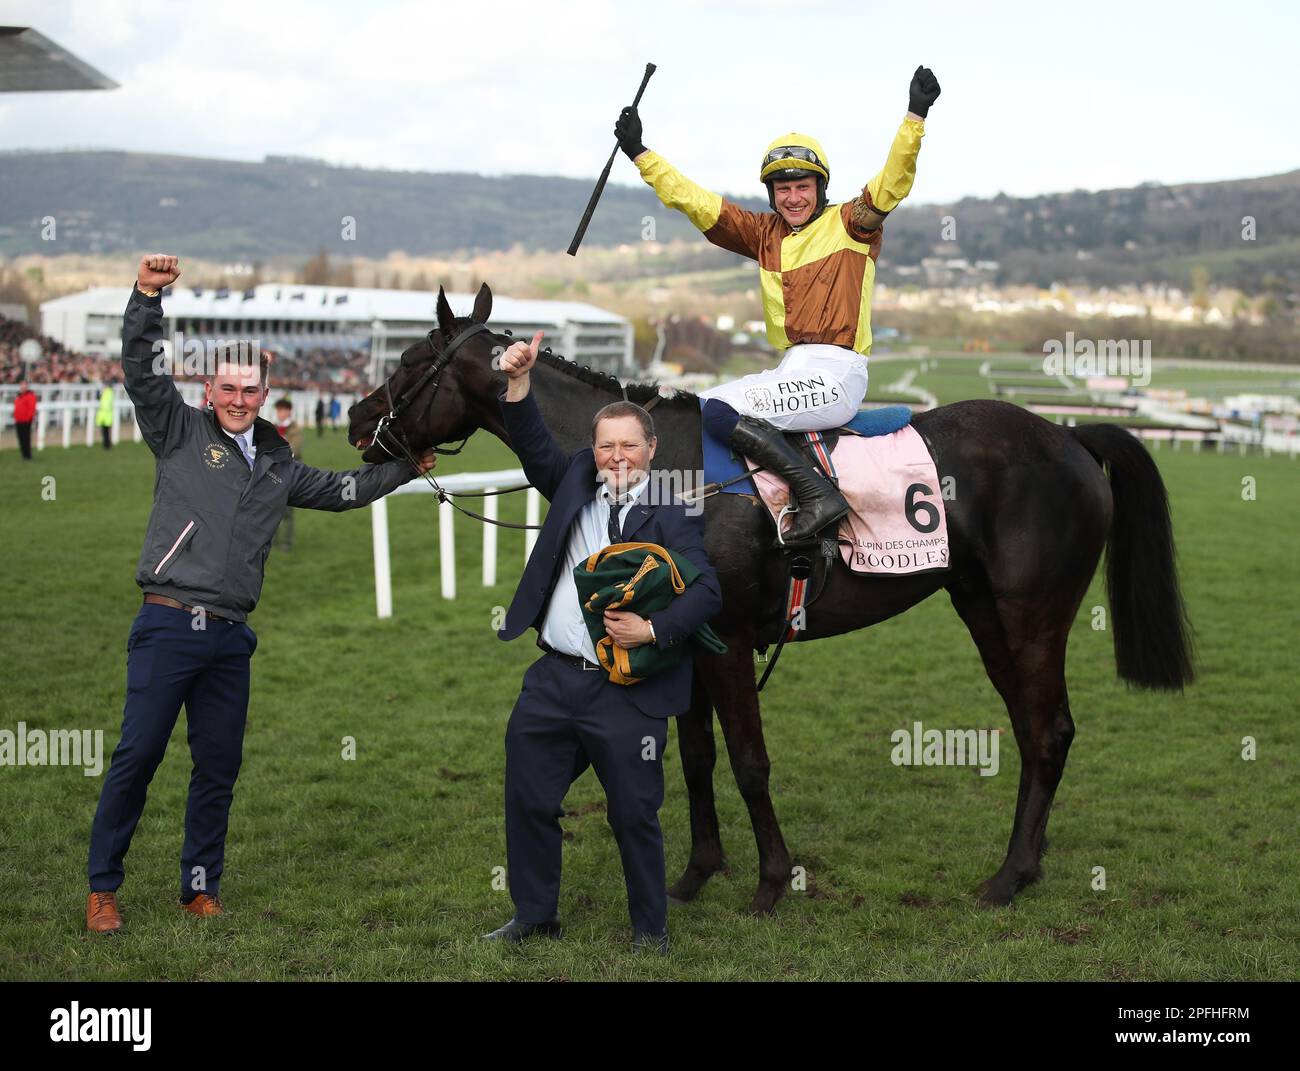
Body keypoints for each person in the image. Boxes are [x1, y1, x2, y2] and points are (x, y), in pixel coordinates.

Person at [85, 254, 436, 935]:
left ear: (265, 393)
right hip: (165, 624)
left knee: (218, 768)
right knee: (138, 757)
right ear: (208, 389)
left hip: (229, 639)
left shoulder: (278, 463)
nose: (241, 399)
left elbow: (342, 491)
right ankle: (103, 887)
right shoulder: (176, 428)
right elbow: (138, 365)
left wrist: (404, 468)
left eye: (252, 389)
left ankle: (198, 886)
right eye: (230, 388)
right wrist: (146, 298)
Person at [616, 66, 941, 545]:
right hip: (792, 369)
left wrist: (915, 116)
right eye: (782, 189)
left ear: (820, 188)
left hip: (836, 374)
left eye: (802, 186)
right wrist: (642, 154)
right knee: (704, 406)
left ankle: (819, 497)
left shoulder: (853, 224)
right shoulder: (764, 234)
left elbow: (892, 183)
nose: (793, 197)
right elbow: (697, 203)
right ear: (772, 194)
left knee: (718, 408)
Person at [484, 329, 722, 953]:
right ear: (591, 450)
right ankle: (535, 915)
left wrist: (653, 628)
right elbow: (533, 441)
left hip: (628, 690)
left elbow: (707, 594)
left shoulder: (674, 513)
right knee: (529, 798)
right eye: (606, 446)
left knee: (632, 817)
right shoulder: (569, 482)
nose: (618, 458)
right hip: (554, 680)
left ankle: (650, 931)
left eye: (630, 447)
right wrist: (518, 382)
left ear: (651, 450)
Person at [272, 397, 302, 550]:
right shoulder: (273, 427)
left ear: (289, 411)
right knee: (271, 509)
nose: (280, 413)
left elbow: (294, 450)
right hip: (272, 474)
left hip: (289, 473)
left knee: (288, 511)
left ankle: (287, 542)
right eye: (278, 410)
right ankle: (272, 539)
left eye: (283, 410)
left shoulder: (294, 428)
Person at [12, 380, 36, 460]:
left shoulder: (30, 396)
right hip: (18, 420)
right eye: (21, 385)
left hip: (26, 421)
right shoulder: (19, 396)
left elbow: (31, 408)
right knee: (20, 438)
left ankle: (27, 455)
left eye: (24, 385)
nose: (22, 387)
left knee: (26, 438)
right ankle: (23, 455)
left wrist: (28, 418)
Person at [95, 379, 116, 449]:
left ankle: (107, 445)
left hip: (106, 415)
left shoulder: (108, 392)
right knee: (105, 432)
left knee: (106, 432)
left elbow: (105, 403)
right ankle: (106, 445)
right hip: (105, 415)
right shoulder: (107, 392)